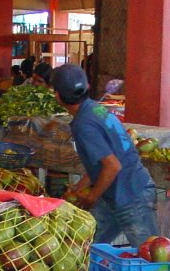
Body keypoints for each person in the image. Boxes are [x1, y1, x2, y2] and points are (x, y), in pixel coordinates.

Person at [51, 63, 158, 248]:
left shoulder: (83, 125)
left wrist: (91, 196)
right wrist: (80, 186)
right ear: (88, 87)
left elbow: (112, 165)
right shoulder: (96, 109)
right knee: (86, 247)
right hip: (114, 193)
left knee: (149, 257)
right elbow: (104, 162)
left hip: (131, 195)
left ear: (58, 96)